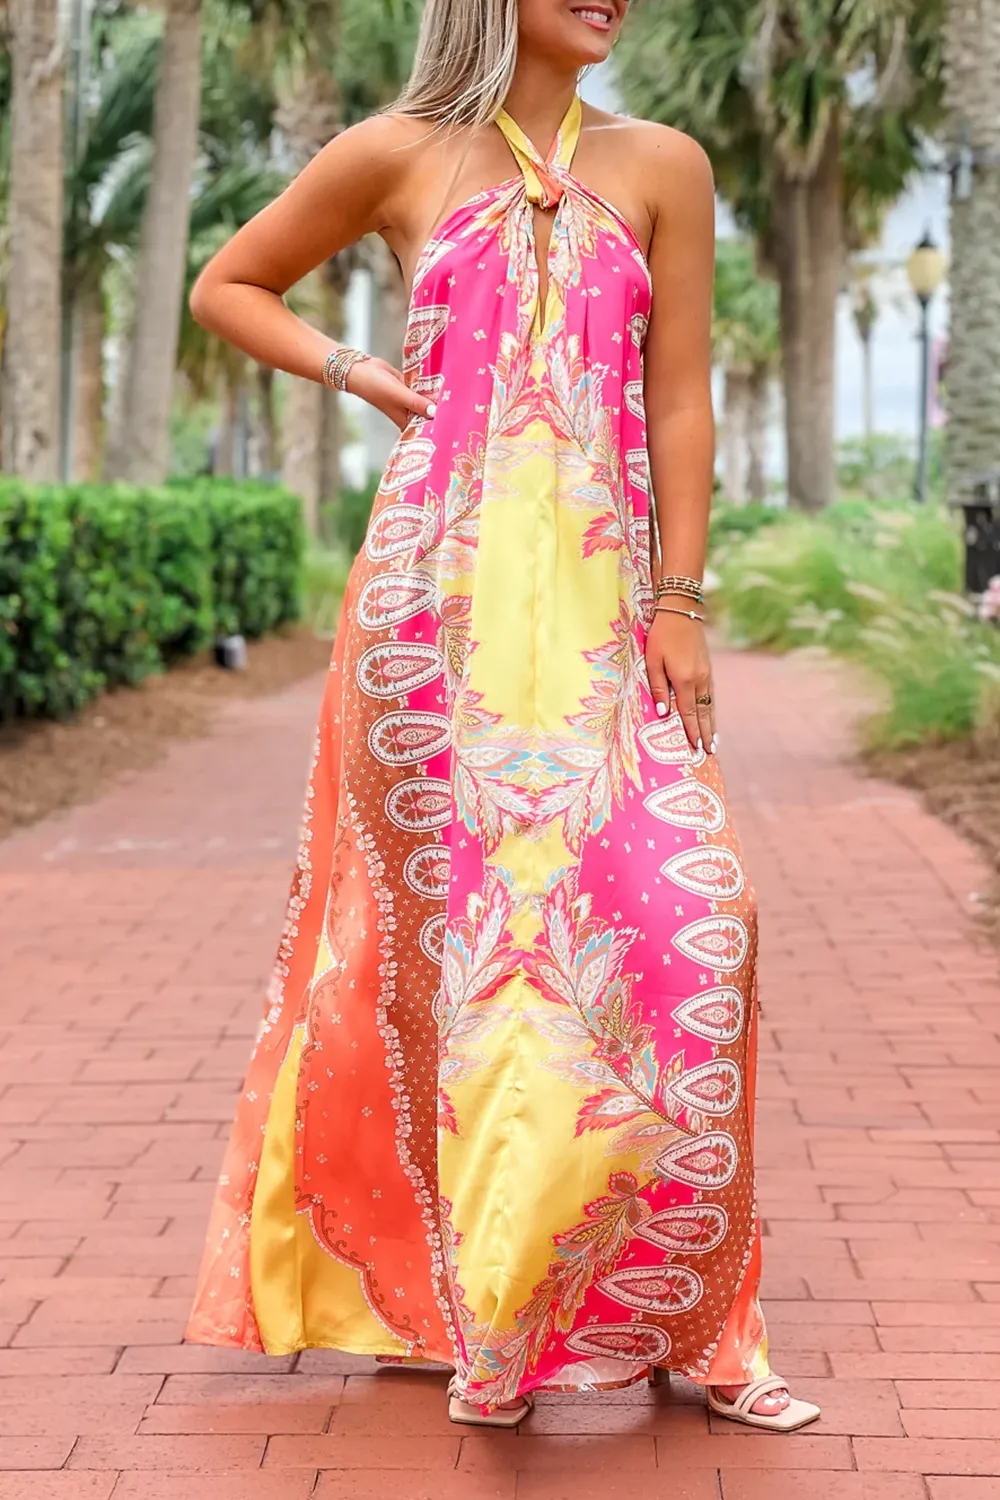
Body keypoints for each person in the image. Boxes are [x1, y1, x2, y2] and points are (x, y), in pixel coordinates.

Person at [185, 0, 820, 1433]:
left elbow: (679, 400)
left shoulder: (663, 164)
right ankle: (494, 1327)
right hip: (435, 618)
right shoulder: (396, 152)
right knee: (465, 975)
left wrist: (681, 599)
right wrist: (359, 376)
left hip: (605, 619)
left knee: (695, 927)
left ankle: (703, 1326)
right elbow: (231, 284)